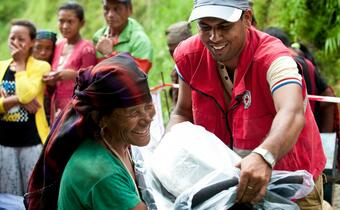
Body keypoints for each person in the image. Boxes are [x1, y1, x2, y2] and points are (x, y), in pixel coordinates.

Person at [166, 0, 326, 209]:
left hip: (292, 184)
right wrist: (167, 154)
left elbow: (292, 111)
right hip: (228, 186)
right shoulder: (188, 56)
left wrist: (264, 155)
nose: (214, 37)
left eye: (224, 26)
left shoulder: (274, 58)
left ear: (247, 18)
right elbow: (182, 113)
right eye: (205, 27)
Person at [25, 53, 155, 210]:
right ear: (101, 119)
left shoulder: (117, 141)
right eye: (134, 113)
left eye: (148, 106)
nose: (147, 118)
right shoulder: (102, 174)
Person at [0, 20, 50, 196]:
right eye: (12, 37)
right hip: (4, 143)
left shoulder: (41, 66)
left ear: (32, 42)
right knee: (8, 195)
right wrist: (16, 100)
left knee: (33, 194)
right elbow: (21, 98)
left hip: (32, 142)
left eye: (21, 39)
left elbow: (27, 95)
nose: (15, 42)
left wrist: (20, 65)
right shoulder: (0, 66)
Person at [264, 27, 338, 134]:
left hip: (293, 136)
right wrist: (325, 137)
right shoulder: (308, 63)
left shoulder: (282, 66)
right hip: (311, 133)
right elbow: (328, 95)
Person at [43, 2, 97, 124]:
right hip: (56, 109)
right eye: (61, 21)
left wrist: (73, 75)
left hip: (76, 112)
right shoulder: (58, 46)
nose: (65, 26)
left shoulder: (87, 49)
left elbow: (91, 82)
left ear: (81, 23)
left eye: (70, 21)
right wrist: (51, 82)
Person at [93, 0, 153, 73]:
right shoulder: (97, 36)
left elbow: (137, 77)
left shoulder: (141, 41)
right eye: (106, 9)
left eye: (117, 9)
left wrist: (110, 54)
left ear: (129, 10)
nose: (110, 15)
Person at [32, 30, 57, 124]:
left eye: (48, 48)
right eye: (38, 47)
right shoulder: (21, 68)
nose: (43, 52)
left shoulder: (55, 69)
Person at [165, 21, 192, 106]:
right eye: (171, 51)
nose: (175, 55)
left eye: (178, 50)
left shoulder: (200, 67)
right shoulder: (175, 72)